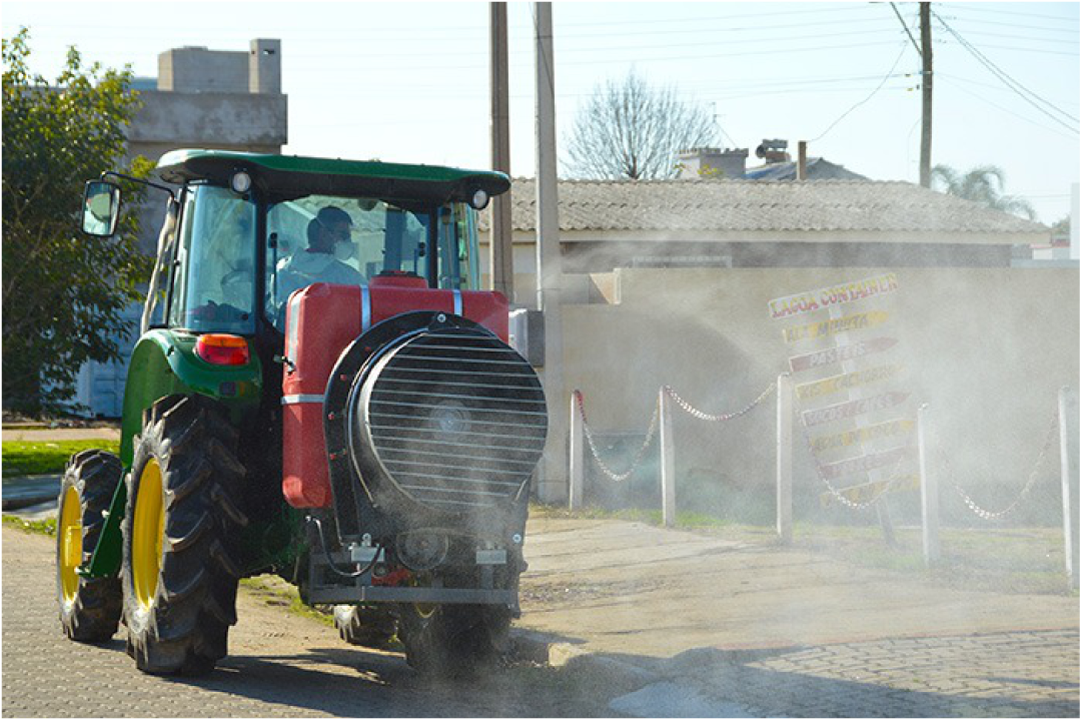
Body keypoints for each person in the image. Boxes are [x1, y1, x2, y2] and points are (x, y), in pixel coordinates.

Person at [274, 206, 363, 306]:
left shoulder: (282, 271)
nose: (347, 241)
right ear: (324, 234)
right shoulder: (347, 276)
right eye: (343, 235)